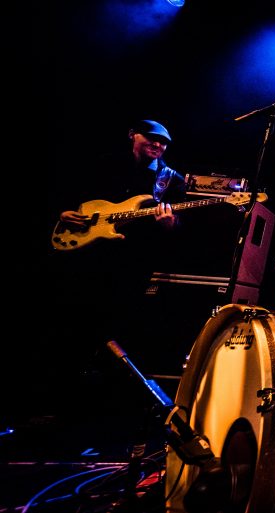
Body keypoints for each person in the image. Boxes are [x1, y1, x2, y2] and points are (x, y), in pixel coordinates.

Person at [43, 119, 187, 418]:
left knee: (118, 331)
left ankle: (106, 408)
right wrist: (63, 211)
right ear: (132, 135)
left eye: (163, 142)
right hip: (86, 257)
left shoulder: (171, 180)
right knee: (71, 325)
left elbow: (178, 227)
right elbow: (67, 191)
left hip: (131, 264)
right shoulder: (103, 164)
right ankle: (57, 401)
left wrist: (170, 224)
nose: (158, 144)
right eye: (152, 137)